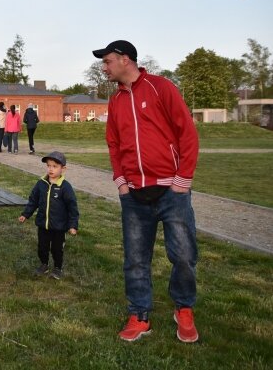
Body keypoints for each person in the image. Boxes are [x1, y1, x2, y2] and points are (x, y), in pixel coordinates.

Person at [92, 40, 200, 343]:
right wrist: (121, 182)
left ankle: (184, 308)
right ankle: (139, 314)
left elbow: (187, 133)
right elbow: (113, 142)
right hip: (134, 196)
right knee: (136, 259)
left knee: (183, 255)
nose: (104, 67)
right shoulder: (115, 101)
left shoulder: (161, 87)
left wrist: (183, 179)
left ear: (126, 60)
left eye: (108, 61)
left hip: (172, 192)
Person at [18, 151, 79, 280]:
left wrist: (73, 225)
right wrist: (26, 214)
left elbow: (72, 208)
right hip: (42, 224)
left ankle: (57, 268)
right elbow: (33, 201)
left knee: (57, 249)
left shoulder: (65, 187)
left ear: (63, 169)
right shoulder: (41, 184)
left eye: (55, 166)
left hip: (59, 227)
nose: (51, 169)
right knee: (42, 247)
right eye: (49, 166)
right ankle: (44, 265)